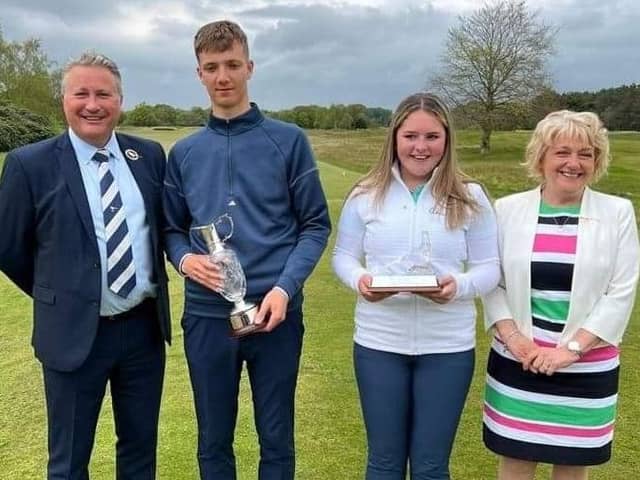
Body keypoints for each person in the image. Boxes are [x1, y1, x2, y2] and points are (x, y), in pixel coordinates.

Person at [163, 20, 331, 480]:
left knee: (276, 438)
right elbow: (171, 230)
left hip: (275, 313)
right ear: (199, 73)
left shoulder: (289, 140)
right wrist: (183, 258)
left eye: (232, 64)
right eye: (212, 67)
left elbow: (315, 224)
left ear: (249, 67)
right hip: (206, 316)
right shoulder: (185, 152)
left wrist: (284, 288)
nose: (223, 76)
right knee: (213, 438)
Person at [0, 52, 171, 479]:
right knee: (69, 460)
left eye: (103, 94)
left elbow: (161, 230)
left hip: (143, 332)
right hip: (73, 336)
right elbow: (9, 248)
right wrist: (59, 292)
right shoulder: (29, 164)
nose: (92, 104)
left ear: (120, 101)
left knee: (139, 453)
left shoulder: (148, 157)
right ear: (64, 101)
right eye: (81, 93)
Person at [332, 92, 500, 479]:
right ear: (394, 137)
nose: (420, 147)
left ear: (447, 139)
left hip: (448, 348)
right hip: (379, 343)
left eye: (431, 137)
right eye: (410, 136)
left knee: (430, 465)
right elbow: (343, 257)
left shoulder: (470, 196)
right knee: (384, 462)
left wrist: (456, 286)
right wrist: (362, 281)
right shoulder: (365, 194)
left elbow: (489, 268)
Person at [482, 110, 640, 480]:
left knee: (571, 466)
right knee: (516, 463)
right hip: (518, 361)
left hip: (586, 366)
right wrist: (519, 342)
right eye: (562, 152)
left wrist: (569, 351)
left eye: (585, 154)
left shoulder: (617, 212)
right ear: (541, 157)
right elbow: (494, 283)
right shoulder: (506, 211)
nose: (573, 163)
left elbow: (621, 291)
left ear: (597, 161)